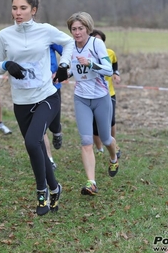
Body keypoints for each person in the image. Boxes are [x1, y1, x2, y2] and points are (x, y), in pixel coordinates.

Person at [0, 0, 74, 216]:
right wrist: (7, 65)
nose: (18, 12)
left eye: (23, 8)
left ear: (33, 10)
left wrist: (65, 65)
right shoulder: (5, 35)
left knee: (31, 142)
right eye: (15, 8)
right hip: (21, 102)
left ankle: (41, 191)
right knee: (35, 146)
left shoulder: (45, 31)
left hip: (47, 96)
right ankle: (55, 188)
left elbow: (69, 44)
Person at [54, 11, 118, 196]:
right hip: (81, 98)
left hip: (100, 98)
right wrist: (60, 76)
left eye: (80, 28)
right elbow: (73, 70)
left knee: (106, 139)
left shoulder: (96, 43)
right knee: (86, 141)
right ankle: (91, 183)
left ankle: (114, 158)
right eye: (73, 29)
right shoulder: (69, 47)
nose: (77, 32)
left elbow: (107, 70)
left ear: (88, 28)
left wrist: (91, 63)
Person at [90, 29, 122, 159]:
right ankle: (99, 149)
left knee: (111, 121)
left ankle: (113, 144)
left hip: (109, 93)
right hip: (91, 95)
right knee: (95, 125)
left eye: (100, 41)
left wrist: (116, 74)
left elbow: (114, 65)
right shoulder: (88, 56)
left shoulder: (110, 53)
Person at [44, 43, 63, 171]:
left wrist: (61, 68)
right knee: (41, 127)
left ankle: (57, 132)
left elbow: (67, 50)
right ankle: (49, 160)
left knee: (54, 124)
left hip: (54, 86)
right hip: (37, 89)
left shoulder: (48, 35)